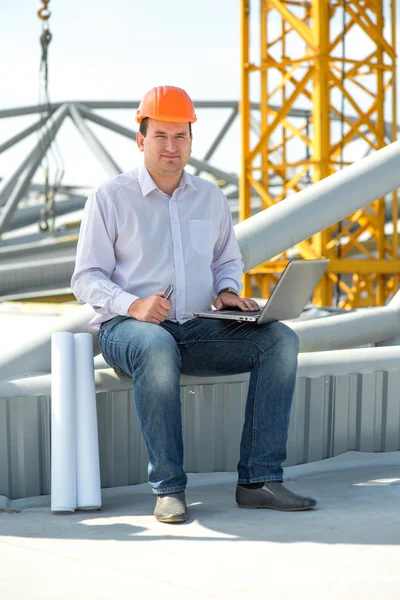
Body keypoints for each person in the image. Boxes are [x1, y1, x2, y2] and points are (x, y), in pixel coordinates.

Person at [71, 85, 316, 523]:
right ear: (141, 139)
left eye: (180, 136)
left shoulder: (210, 197)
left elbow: (227, 258)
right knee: (156, 345)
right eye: (161, 136)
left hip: (197, 327)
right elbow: (85, 277)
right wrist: (133, 304)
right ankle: (169, 488)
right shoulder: (110, 198)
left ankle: (259, 481)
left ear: (190, 140)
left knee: (279, 340)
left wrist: (226, 291)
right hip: (126, 331)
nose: (171, 146)